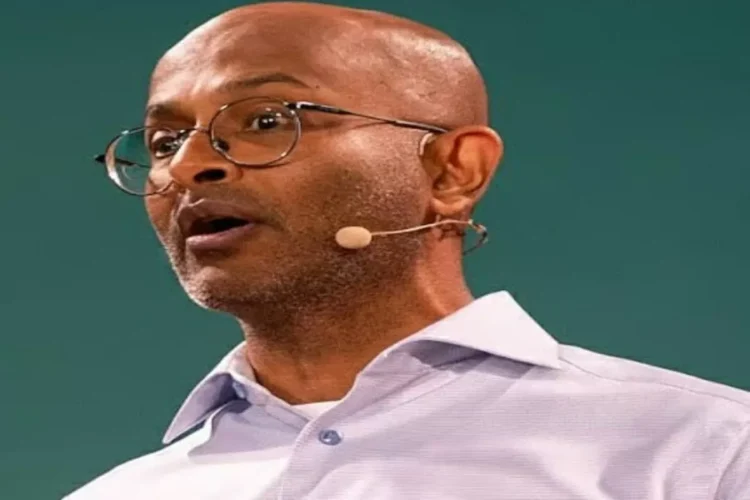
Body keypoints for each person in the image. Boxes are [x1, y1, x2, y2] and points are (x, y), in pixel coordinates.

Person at [66, 2, 749, 499]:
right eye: (164, 143)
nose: (188, 168)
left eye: (268, 120)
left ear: (453, 172)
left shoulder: (705, 450)